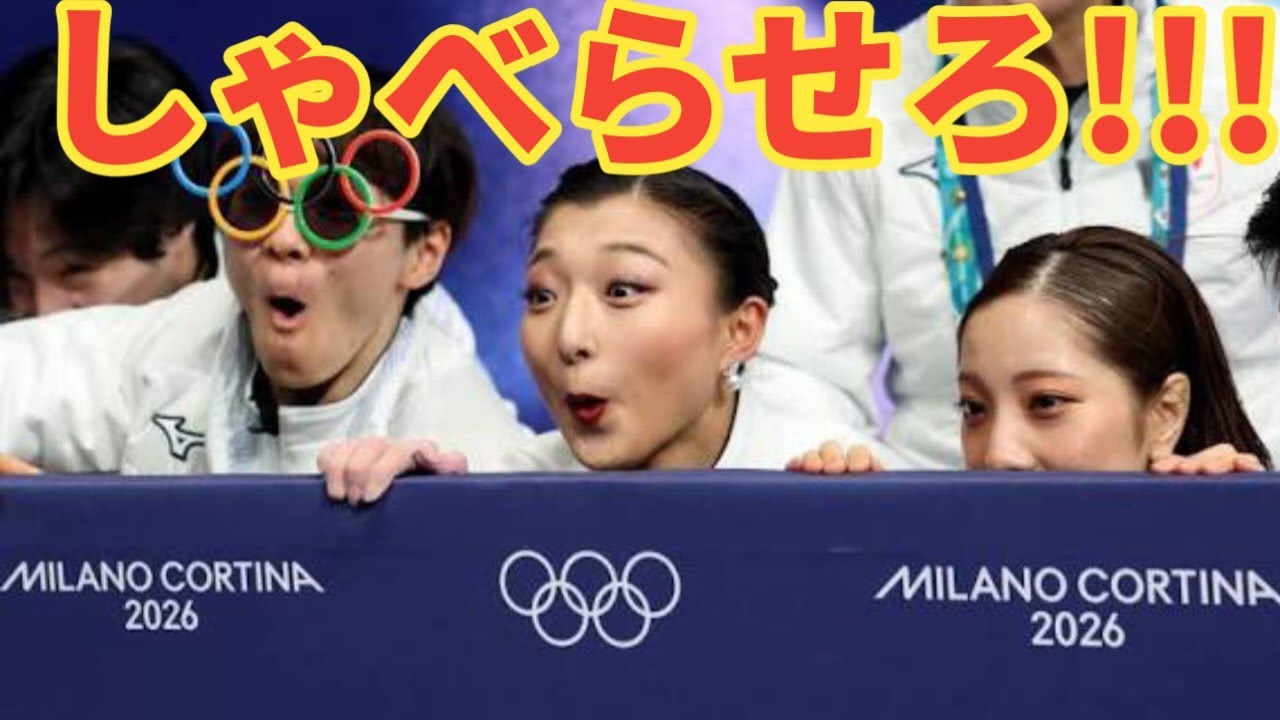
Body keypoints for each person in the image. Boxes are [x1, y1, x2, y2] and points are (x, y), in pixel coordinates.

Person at [760, 0, 1280, 469]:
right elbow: (798, 370)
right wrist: (866, 501)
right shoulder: (860, 99)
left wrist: (1242, 503)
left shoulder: (1261, 66)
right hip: (951, 522)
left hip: (1242, 504)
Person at [0, 75, 529, 478]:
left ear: (424, 254)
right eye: (256, 203)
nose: (282, 238)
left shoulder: (463, 437)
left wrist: (444, 520)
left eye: (333, 213)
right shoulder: (187, 331)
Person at [317, 160, 896, 502]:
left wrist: (866, 541)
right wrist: (412, 514)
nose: (570, 337)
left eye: (622, 290)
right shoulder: (509, 490)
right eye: (543, 296)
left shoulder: (842, 482)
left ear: (740, 330)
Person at [789, 227, 1271, 475]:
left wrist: (1236, 543)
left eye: (1046, 402)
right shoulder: (932, 579)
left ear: (1165, 413)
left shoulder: (1242, 563)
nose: (998, 454)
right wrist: (846, 544)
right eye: (972, 408)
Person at [0, 40, 216, 318]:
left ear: (177, 217)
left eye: (75, 269)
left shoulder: (261, 321)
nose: (43, 313)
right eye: (15, 277)